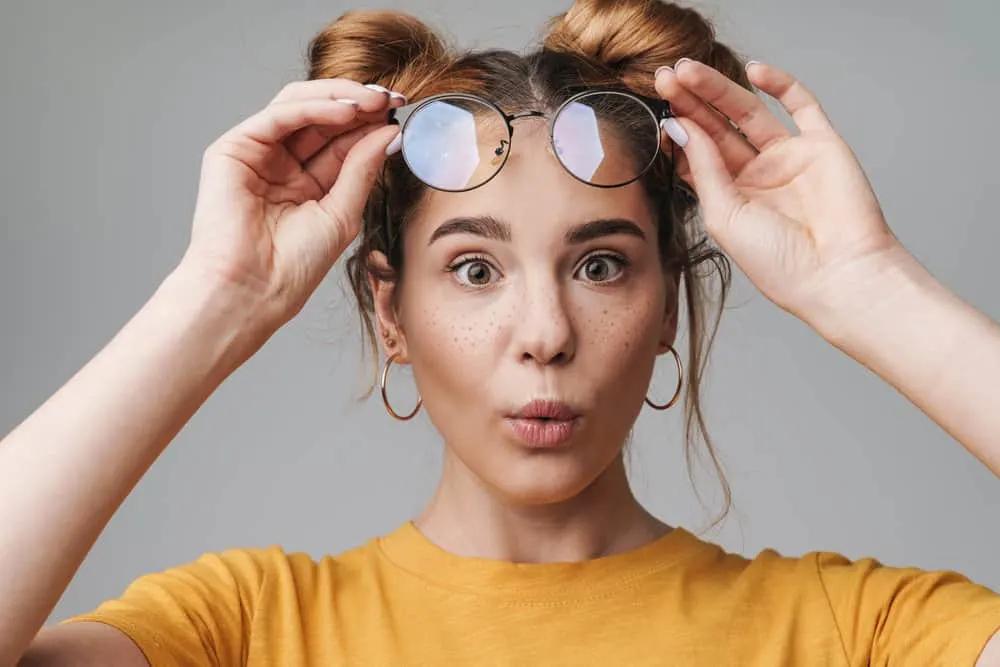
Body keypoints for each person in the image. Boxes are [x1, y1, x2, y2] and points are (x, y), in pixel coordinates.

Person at [3, 0, 1000, 664]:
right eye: (474, 269)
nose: (544, 333)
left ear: (668, 309)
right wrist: (219, 294)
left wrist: (868, 285)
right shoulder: (244, 629)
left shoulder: (853, 635)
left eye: (600, 263)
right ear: (390, 312)